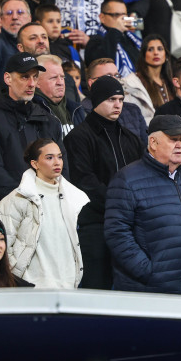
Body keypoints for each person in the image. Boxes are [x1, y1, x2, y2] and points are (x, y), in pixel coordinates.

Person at [105, 114, 181, 294]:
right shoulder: (127, 179)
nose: (180, 145)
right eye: (173, 139)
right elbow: (117, 233)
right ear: (153, 143)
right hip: (147, 291)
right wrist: (149, 272)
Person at [63, 75, 143, 288]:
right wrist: (119, 204)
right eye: (110, 100)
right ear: (96, 100)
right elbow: (83, 180)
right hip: (95, 224)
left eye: (120, 99)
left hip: (128, 224)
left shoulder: (130, 138)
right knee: (97, 286)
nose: (117, 105)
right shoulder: (78, 137)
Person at [0, 53, 65, 211]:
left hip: (50, 209)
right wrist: (28, 200)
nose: (31, 84)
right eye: (24, 77)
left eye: (35, 77)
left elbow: (62, 169)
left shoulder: (50, 120)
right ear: (8, 79)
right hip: (9, 211)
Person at [0, 138, 89, 288]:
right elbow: (0, 245)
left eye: (60, 157)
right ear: (34, 163)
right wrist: (17, 277)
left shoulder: (73, 198)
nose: (57, 162)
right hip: (32, 289)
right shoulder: (18, 199)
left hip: (67, 286)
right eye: (49, 157)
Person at [121, 33, 176, 123]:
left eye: (160, 49)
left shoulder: (171, 81)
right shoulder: (134, 82)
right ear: (144, 55)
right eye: (150, 49)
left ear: (165, 55)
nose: (156, 53)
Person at [84, 0, 143, 78]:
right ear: (102, 17)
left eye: (124, 15)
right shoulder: (95, 41)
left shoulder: (131, 38)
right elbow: (100, 64)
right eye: (116, 15)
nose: (121, 20)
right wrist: (115, 31)